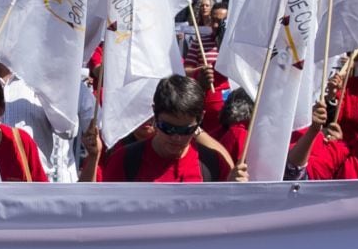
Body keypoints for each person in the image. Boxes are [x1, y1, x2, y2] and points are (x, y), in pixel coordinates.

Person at [85, 74, 246, 183]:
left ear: (200, 120)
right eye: (167, 128)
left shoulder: (213, 165)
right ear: (154, 113)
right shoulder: (125, 161)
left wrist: (233, 193)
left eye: (186, 130)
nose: (177, 138)